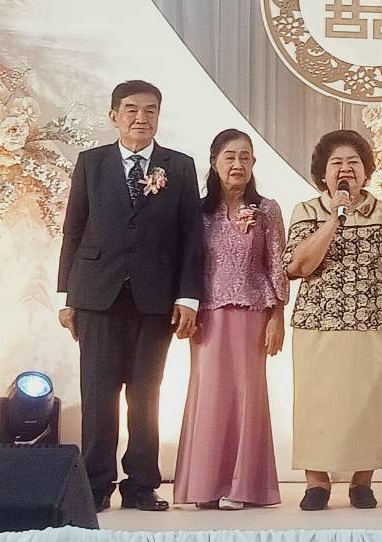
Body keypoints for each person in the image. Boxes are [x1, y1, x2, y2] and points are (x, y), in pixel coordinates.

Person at [57, 80, 203, 512]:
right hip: (97, 294)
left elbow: (191, 237)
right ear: (114, 116)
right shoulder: (91, 163)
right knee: (98, 394)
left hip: (155, 298)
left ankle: (141, 485)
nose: (141, 117)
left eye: (150, 110)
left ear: (159, 115)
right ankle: (95, 484)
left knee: (146, 395)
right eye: (132, 109)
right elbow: (73, 229)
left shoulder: (179, 166)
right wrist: (66, 295)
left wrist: (188, 297)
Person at [283, 130, 382, 510]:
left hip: (373, 323)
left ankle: (362, 482)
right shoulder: (306, 211)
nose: (345, 169)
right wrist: (333, 220)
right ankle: (316, 483)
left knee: (368, 405)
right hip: (318, 324)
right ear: (323, 173)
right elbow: (297, 266)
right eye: (337, 163)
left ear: (365, 170)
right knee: (317, 405)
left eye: (353, 162)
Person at [173, 129, 286, 510]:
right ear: (214, 162)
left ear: (253, 164)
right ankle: (205, 486)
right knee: (209, 398)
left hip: (253, 315)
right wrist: (185, 307)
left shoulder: (267, 210)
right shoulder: (197, 211)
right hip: (207, 317)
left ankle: (242, 488)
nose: (238, 164)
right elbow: (185, 263)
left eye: (245, 157)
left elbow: (276, 265)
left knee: (247, 399)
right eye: (230, 157)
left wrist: (277, 317)